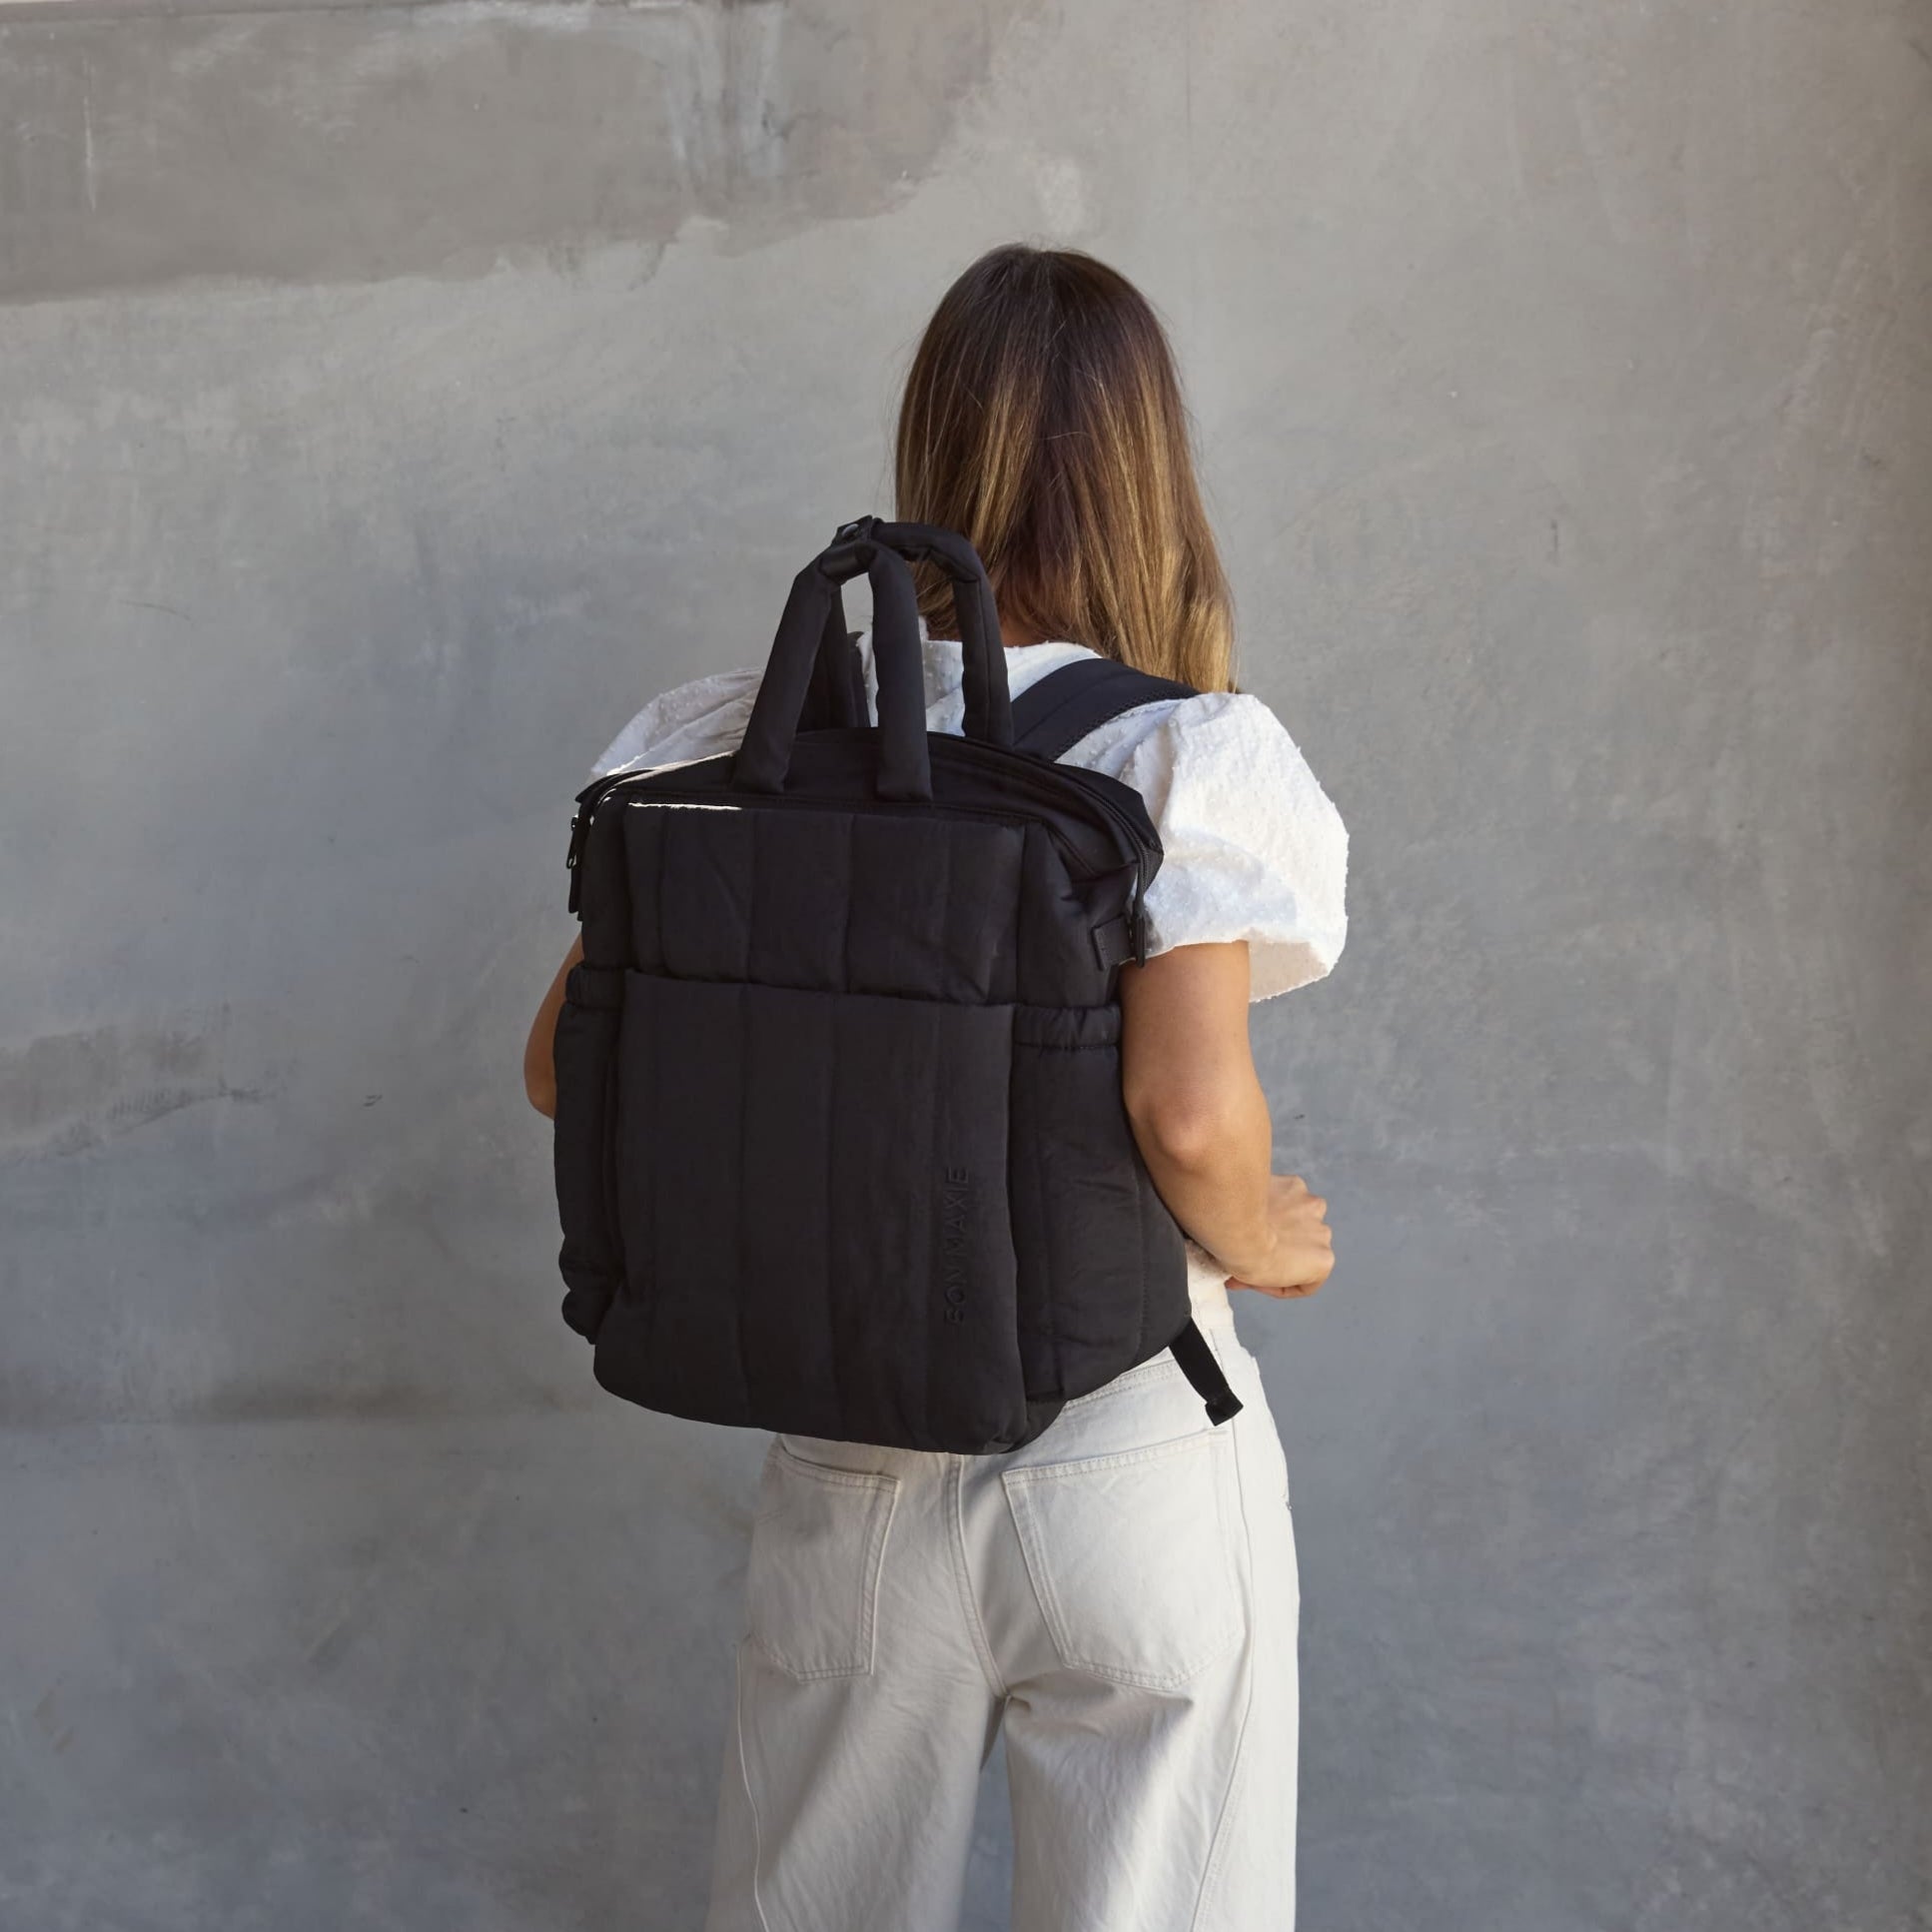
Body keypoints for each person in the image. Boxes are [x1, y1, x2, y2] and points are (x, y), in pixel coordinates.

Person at [524, 243, 1347, 1931]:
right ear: (1147, 472)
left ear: (935, 444)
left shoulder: (726, 742)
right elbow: (1186, 1110)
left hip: (848, 1450)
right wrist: (1261, 1229)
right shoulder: (1174, 750)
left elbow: (560, 1066)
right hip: (1123, 1434)